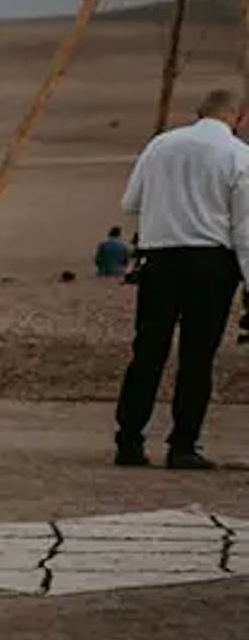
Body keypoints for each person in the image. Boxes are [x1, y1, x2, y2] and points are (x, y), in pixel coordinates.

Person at [110, 84, 249, 469]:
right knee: (197, 356)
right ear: (238, 117)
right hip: (211, 265)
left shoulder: (160, 146)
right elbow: (245, 229)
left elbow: (130, 203)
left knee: (148, 352)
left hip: (159, 260)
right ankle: (183, 444)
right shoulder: (238, 155)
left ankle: (129, 441)